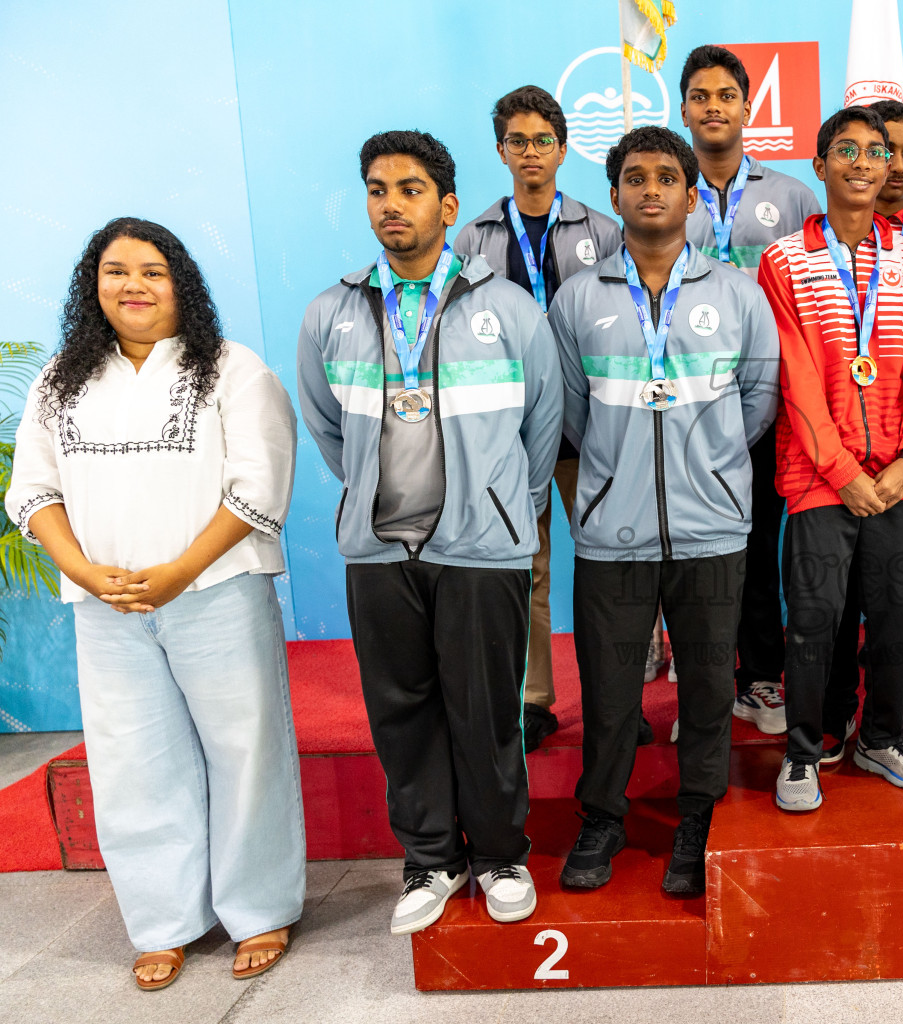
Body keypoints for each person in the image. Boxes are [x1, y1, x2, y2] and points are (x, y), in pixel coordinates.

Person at [8, 217, 303, 989]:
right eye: (115, 271)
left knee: (246, 750)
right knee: (133, 760)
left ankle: (260, 908)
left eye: (152, 271)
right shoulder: (61, 380)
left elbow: (258, 487)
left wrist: (177, 571)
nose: (133, 285)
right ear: (92, 284)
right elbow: (35, 490)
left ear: (183, 284)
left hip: (215, 591)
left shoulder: (232, 370)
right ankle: (164, 920)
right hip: (106, 606)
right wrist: (83, 569)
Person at [297, 130, 563, 934]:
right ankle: (431, 860)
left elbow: (543, 426)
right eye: (377, 189)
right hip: (379, 552)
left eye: (409, 190)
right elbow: (328, 428)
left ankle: (500, 855)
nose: (391, 205)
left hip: (483, 546)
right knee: (400, 711)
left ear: (447, 206)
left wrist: (504, 503)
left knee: (486, 711)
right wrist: (375, 499)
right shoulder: (331, 313)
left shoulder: (509, 309)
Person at [551, 126, 778, 891]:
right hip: (612, 534)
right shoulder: (578, 298)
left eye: (666, 177)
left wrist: (709, 469)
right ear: (614, 197)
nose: (651, 188)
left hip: (713, 527)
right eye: (634, 177)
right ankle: (603, 819)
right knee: (612, 688)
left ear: (690, 195)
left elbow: (758, 399)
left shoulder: (737, 293)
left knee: (711, 685)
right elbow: (570, 413)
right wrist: (614, 479)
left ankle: (698, 816)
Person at [762, 106, 903, 813]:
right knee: (814, 618)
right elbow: (796, 379)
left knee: (899, 617)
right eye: (848, 150)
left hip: (900, 477)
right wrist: (842, 472)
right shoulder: (785, 260)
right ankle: (804, 749)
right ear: (821, 164)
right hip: (818, 477)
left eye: (879, 151)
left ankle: (882, 736)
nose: (865, 162)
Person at [451, 85, 624, 750]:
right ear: (501, 151)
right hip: (512, 429)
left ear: (563, 146)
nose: (530, 152)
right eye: (517, 141)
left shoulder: (600, 230)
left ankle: (621, 692)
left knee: (613, 560)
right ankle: (533, 697)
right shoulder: (474, 236)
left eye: (542, 140)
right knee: (528, 563)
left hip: (590, 424)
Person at [680, 44, 822, 737]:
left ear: (746, 107)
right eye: (700, 96)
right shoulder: (660, 190)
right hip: (682, 401)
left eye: (725, 95)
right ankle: (700, 685)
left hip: (767, 398)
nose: (713, 107)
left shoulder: (793, 196)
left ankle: (761, 678)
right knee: (690, 551)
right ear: (684, 110)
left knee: (762, 542)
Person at [820, 97, 903, 763]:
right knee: (832, 603)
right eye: (876, 149)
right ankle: (833, 712)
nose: (889, 164)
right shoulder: (812, 251)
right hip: (833, 464)